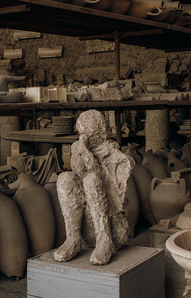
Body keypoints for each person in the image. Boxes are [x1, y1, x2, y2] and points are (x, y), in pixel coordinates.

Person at [53, 109, 134, 265]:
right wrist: (78, 154)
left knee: (91, 180)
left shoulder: (114, 155)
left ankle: (105, 241)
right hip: (86, 217)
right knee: (64, 178)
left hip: (109, 218)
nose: (84, 139)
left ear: (101, 133)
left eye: (89, 136)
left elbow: (100, 179)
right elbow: (78, 174)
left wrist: (86, 154)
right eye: (81, 135)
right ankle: (73, 238)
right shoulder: (80, 147)